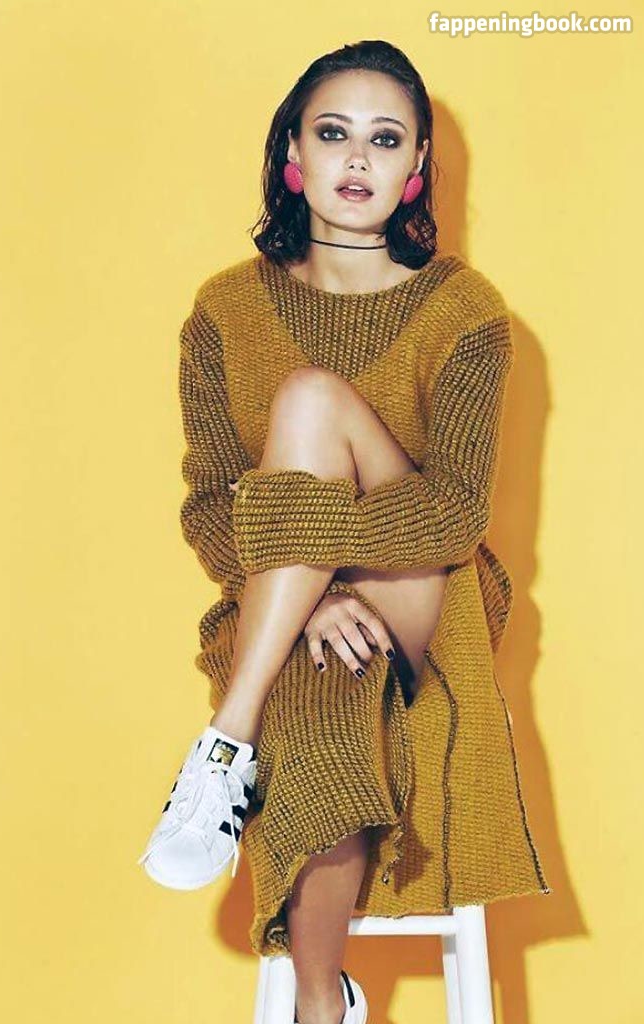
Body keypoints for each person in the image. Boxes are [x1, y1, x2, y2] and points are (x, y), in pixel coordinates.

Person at [138, 39, 551, 1024]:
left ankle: (223, 744)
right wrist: (313, 588)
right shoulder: (225, 310)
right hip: (287, 614)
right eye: (333, 133)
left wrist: (316, 557)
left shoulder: (465, 311)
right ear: (293, 153)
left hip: (427, 593)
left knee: (311, 400)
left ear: (417, 166)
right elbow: (210, 503)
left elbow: (454, 511)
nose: (358, 159)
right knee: (320, 711)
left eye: (385, 139)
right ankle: (325, 1002)